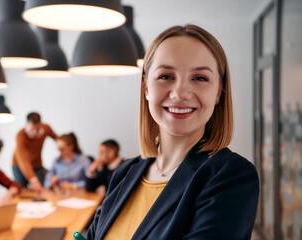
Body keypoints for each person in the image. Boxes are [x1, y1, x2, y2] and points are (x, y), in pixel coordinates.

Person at [87, 25, 259, 239]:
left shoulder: (230, 176)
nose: (180, 94)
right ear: (146, 87)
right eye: (166, 76)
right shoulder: (124, 173)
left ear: (218, 92)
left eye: (200, 78)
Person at [12, 112, 57, 192]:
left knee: (40, 188)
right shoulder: (20, 135)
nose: (35, 132)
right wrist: (33, 180)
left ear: (41, 124)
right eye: (32, 129)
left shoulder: (46, 128)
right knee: (22, 189)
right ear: (26, 125)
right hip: (19, 165)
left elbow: (58, 139)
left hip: (37, 164)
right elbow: (23, 159)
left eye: (38, 129)